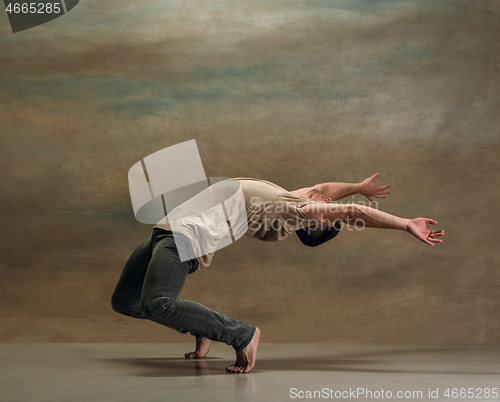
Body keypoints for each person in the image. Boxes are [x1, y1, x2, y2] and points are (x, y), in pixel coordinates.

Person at [111, 173, 444, 373]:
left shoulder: (293, 208)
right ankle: (203, 328)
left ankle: (242, 334)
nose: (328, 199)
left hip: (185, 238)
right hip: (164, 231)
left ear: (317, 218)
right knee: (125, 303)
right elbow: (326, 187)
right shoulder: (290, 195)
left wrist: (405, 224)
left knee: (158, 304)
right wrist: (357, 185)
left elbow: (350, 211)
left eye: (328, 213)